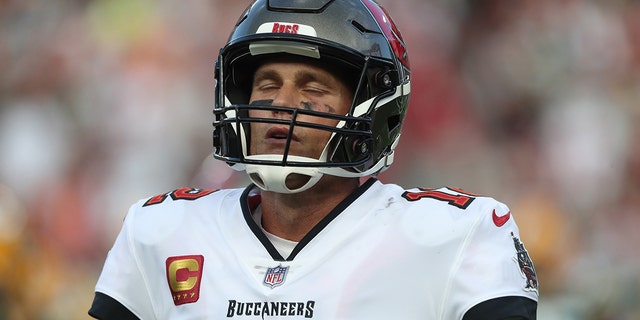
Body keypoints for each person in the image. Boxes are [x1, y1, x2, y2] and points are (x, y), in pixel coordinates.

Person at [88, 0, 539, 319]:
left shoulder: (458, 234)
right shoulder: (162, 231)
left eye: (312, 87)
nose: (281, 103)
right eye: (266, 84)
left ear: (371, 107)